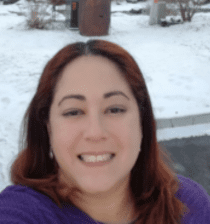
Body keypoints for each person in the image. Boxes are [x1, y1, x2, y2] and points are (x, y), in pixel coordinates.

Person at [0, 39, 210, 224]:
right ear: (48, 127)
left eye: (115, 109)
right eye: (73, 112)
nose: (95, 132)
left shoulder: (188, 206)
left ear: (141, 121)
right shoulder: (24, 211)